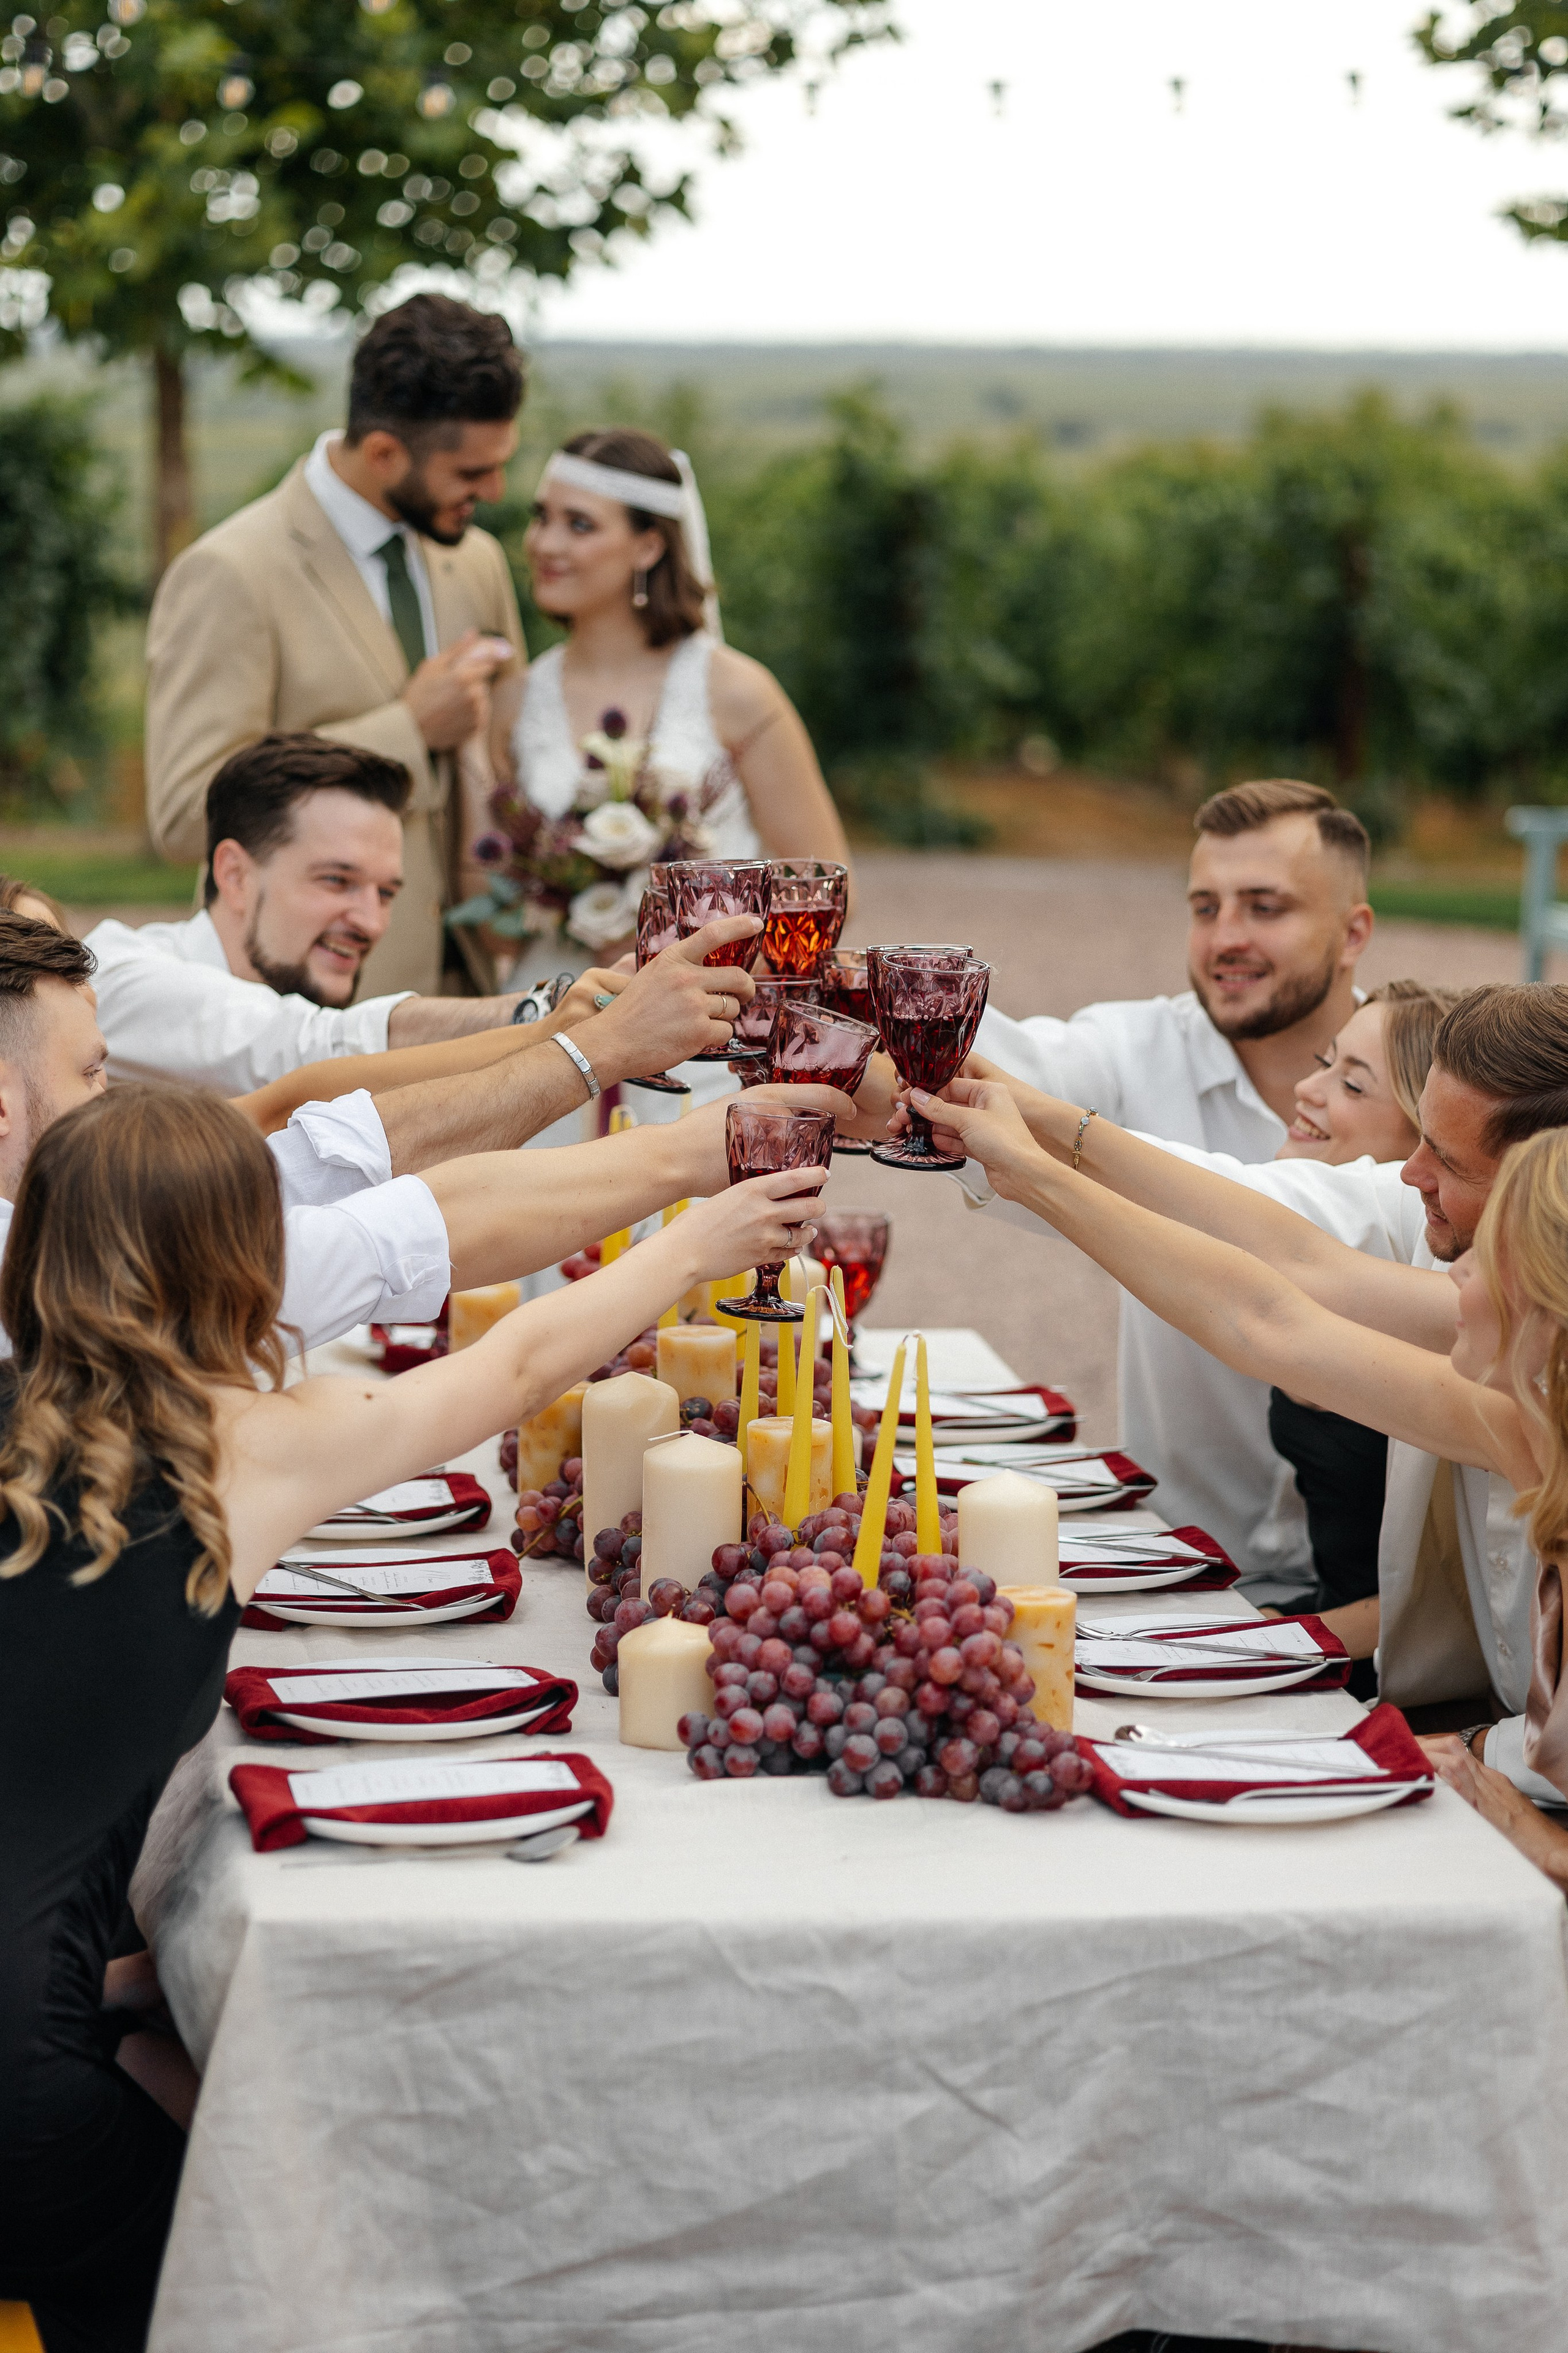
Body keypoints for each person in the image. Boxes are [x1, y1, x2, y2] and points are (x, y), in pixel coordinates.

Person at [0, 1082, 824, 2348]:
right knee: (294, 2257)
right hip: (20, 2091)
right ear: (241, 1260)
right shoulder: (235, 1449)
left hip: (36, 2016)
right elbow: (518, 1366)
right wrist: (694, 1245)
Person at [908, 1074, 1568, 1889]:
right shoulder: (1532, 1429)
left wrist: (1548, 1845)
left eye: (1486, 1262)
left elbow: (1283, 1309)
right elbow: (1270, 1322)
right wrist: (1037, 1173)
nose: (1453, 1283)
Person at [0, 904, 844, 1358]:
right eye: (90, 1074)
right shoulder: (73, 1258)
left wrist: (576, 1043)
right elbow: (430, 1256)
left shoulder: (67, 1215)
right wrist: (691, 1169)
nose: (111, 1099)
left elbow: (325, 1152)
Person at [969, 776, 1374, 1588]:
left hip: (1389, 1604)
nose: (1227, 936)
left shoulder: (1422, 1079)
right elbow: (1002, 1067)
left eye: (1266, 907)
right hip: (1179, 1576)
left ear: (1352, 932)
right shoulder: (1132, 1050)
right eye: (1205, 907)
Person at [145, 294, 527, 999]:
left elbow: (509, 760)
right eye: (472, 474)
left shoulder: (476, 560)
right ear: (384, 452)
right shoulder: (231, 573)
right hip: (309, 1013)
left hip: (473, 987)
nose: (495, 491)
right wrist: (406, 731)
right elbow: (182, 816)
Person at [92, 736, 657, 1094]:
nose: (370, 923)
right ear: (235, 874)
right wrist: (548, 1008)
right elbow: (307, 1047)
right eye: (337, 881)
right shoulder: (111, 978)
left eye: (386, 893)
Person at [489, 426, 848, 983]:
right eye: (542, 517)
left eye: (579, 524)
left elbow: (822, 883)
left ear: (650, 545)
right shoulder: (512, 700)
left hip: (708, 1030)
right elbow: (486, 902)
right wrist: (567, 902)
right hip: (554, 1007)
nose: (545, 543)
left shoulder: (737, 692)